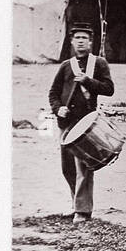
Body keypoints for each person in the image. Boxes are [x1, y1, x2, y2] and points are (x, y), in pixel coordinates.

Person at [49, 22, 115, 223]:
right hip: (66, 122)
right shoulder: (66, 65)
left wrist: (87, 80)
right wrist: (58, 108)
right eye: (77, 38)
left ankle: (83, 211)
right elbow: (53, 93)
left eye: (84, 39)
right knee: (67, 167)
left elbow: (109, 89)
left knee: (84, 167)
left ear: (90, 42)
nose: (80, 42)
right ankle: (76, 203)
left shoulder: (99, 63)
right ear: (71, 41)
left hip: (87, 123)